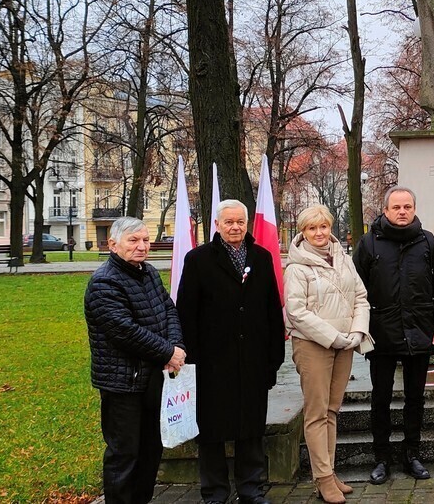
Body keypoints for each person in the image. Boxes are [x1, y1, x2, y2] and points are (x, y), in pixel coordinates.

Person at [177, 199, 286, 504]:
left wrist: (273, 357)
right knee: (211, 431)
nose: (235, 227)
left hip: (253, 359)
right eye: (229, 222)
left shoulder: (261, 257)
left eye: (240, 222)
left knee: (250, 429)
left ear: (247, 223)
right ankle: (215, 492)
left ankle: (251, 489)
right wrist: (191, 361)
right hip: (212, 363)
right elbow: (186, 312)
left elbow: (271, 310)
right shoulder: (198, 260)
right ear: (217, 225)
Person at [353, 186, 434, 484]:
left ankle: (412, 454)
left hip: (420, 332)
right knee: (380, 398)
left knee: (414, 398)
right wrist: (360, 327)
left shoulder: (427, 241)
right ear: (385, 210)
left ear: (414, 208)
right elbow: (354, 288)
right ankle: (381, 458)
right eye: (396, 207)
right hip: (380, 334)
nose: (402, 211)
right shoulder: (369, 244)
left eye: (407, 206)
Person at [84, 216, 186, 504]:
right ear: (113, 244)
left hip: (152, 379)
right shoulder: (104, 282)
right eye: (133, 240)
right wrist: (167, 352)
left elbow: (169, 311)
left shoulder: (149, 273)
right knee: (124, 455)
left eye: (145, 240)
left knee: (150, 452)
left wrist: (176, 345)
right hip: (122, 384)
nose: (141, 246)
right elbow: (124, 331)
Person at [284, 204, 371, 504]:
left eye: (323, 226)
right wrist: (333, 338)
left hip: (346, 343)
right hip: (314, 346)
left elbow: (360, 297)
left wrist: (357, 332)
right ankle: (322, 478)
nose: (319, 233)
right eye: (312, 228)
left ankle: (329, 471)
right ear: (303, 232)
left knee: (332, 410)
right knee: (317, 412)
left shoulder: (343, 259)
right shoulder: (296, 267)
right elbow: (296, 312)